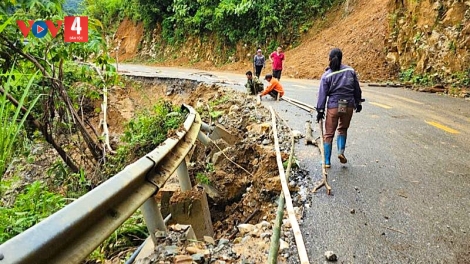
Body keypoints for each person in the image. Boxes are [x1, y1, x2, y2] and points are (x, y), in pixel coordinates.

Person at [316, 48, 363, 168]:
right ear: (341, 58)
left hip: (334, 107)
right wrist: (358, 103)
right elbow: (356, 89)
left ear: (329, 59)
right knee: (342, 129)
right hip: (348, 106)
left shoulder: (327, 75)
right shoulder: (350, 71)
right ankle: (341, 152)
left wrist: (320, 111)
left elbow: (322, 94)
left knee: (329, 134)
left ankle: (326, 161)